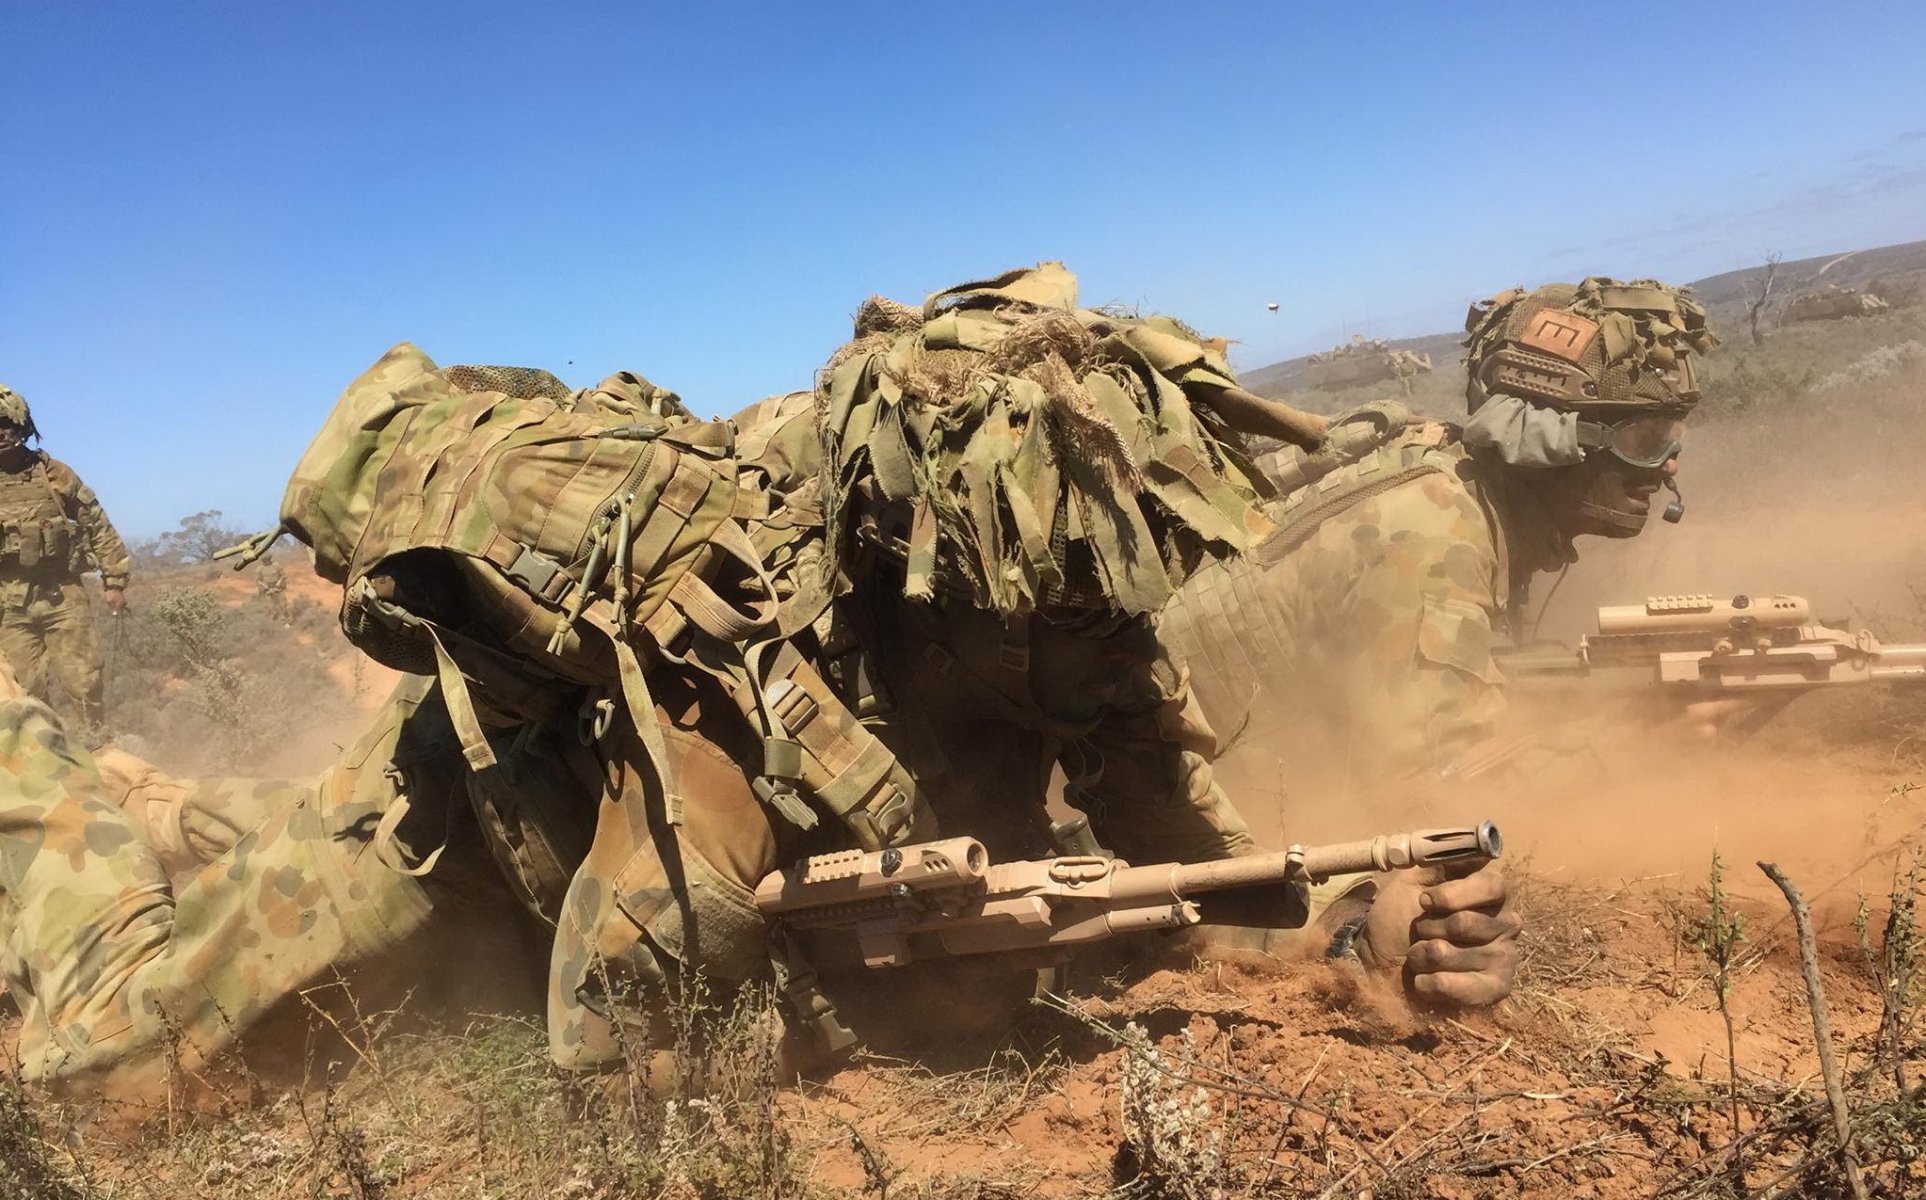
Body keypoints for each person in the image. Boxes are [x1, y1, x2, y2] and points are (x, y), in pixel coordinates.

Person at [0, 267, 1515, 1099]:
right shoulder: (733, 708)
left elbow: (1184, 857)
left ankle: (165, 808)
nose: (1103, 651)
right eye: (1049, 611)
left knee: (208, 850)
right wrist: (872, 1003)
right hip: (460, 832)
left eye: (1105, 605)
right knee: (113, 1068)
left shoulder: (1072, 631)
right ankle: (37, 775)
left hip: (618, 817)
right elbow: (612, 1050)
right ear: (933, 586)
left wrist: (1355, 937)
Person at [1161, 277, 1718, 784]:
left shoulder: (1453, 470)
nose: (1669, 465)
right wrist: (1645, 740)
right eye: (1644, 442)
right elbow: (1438, 787)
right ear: (1550, 444)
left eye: (1673, 437)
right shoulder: (1431, 538)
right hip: (1167, 802)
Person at [0, 384, 131, 731]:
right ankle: (46, 763)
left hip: (62, 595)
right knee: (23, 692)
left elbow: (97, 522)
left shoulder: (54, 474)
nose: (0, 433)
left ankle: (98, 749)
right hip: (9, 604)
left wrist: (114, 580)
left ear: (22, 426)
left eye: (5, 423)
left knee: (84, 681)